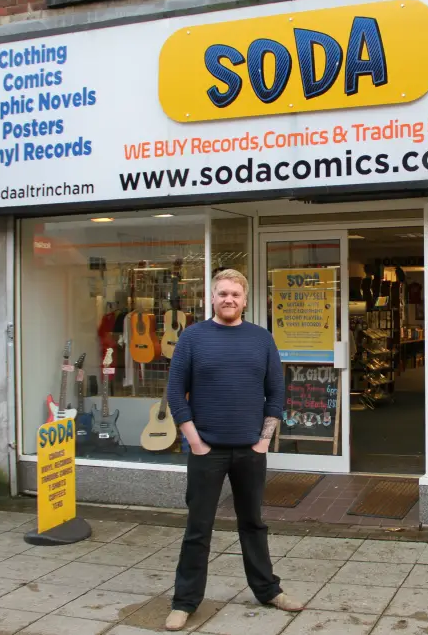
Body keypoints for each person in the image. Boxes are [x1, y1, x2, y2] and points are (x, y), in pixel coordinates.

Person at [164, 269, 302, 631]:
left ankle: (268, 590)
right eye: (222, 293)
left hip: (249, 452)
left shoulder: (261, 339)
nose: (229, 299)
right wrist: (195, 441)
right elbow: (175, 393)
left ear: (245, 299)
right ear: (212, 297)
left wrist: (262, 441)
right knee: (198, 527)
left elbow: (276, 392)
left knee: (253, 523)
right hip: (206, 450)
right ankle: (185, 601)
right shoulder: (193, 338)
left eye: (235, 295)